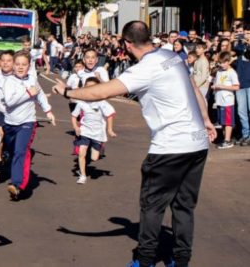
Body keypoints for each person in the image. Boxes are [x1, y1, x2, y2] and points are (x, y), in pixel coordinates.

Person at [52, 21, 216, 267]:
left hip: (169, 147)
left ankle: (145, 259)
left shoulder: (144, 69)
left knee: (152, 206)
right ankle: (182, 259)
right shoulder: (172, 55)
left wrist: (68, 93)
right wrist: (205, 119)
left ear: (127, 44)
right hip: (197, 144)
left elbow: (101, 92)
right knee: (184, 206)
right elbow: (194, 89)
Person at [0, 51, 55, 200]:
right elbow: (10, 102)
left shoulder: (32, 79)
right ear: (13, 65)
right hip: (10, 123)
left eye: (24, 64)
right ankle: (6, 157)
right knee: (11, 152)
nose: (20, 67)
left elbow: (40, 94)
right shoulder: (8, 81)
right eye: (17, 64)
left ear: (29, 65)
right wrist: (28, 93)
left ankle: (16, 185)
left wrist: (48, 111)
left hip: (27, 122)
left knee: (20, 152)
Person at [70, 77, 117, 184]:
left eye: (93, 87)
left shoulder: (102, 102)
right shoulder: (81, 102)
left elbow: (110, 115)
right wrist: (76, 127)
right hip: (84, 131)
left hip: (98, 133)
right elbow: (73, 116)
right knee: (82, 153)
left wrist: (109, 130)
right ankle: (82, 175)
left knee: (94, 158)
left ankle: (94, 148)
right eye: (88, 87)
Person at [212, 51, 240, 149]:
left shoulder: (232, 72)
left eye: (224, 62)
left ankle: (227, 140)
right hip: (219, 100)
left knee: (228, 122)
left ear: (228, 61)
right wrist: (215, 86)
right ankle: (225, 138)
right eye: (220, 62)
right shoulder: (219, 71)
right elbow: (217, 82)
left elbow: (236, 87)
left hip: (227, 101)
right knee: (222, 122)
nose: (222, 64)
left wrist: (222, 86)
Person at [233, 26, 250, 146]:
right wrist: (232, 41)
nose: (245, 35)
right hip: (240, 83)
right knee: (241, 111)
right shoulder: (239, 46)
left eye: (248, 33)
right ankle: (246, 135)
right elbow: (228, 54)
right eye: (244, 33)